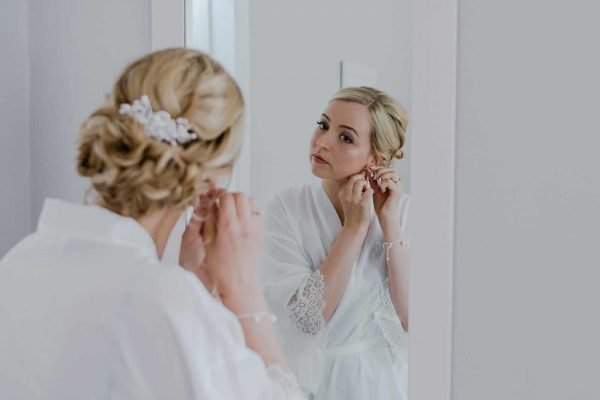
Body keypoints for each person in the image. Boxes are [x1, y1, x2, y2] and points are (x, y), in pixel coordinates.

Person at [0, 48, 304, 400]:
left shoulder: (18, 262)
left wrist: (192, 281)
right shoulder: (160, 298)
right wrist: (243, 291)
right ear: (211, 177)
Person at [260, 87, 410, 400]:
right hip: (308, 384)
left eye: (346, 137)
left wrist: (390, 224)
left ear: (376, 157)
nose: (322, 142)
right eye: (323, 125)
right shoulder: (287, 210)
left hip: (379, 384)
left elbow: (413, 319)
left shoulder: (404, 212)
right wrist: (354, 229)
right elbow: (307, 319)